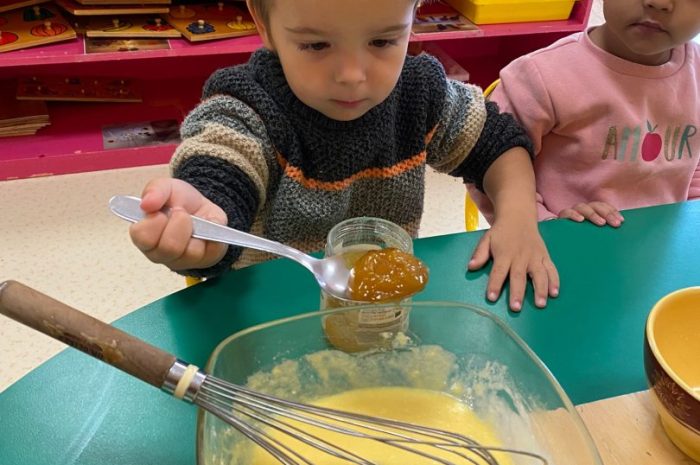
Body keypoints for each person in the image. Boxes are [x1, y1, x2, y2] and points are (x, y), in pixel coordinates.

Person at [128, 0, 559, 311]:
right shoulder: (249, 103)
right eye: (316, 46)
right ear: (263, 21)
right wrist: (208, 214)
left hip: (376, 309)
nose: (353, 76)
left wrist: (518, 220)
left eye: (383, 40)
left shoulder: (419, 93)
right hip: (266, 314)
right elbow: (224, 160)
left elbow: (497, 144)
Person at [469, 0, 700, 226]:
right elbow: (486, 160)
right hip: (560, 247)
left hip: (663, 248)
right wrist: (547, 225)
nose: (660, 3)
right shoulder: (539, 76)